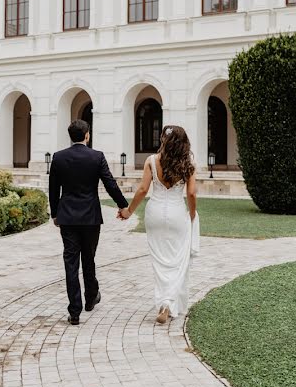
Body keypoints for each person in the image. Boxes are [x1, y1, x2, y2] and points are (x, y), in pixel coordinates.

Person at [49, 119, 130, 325]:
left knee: (70, 262)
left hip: (67, 217)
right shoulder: (97, 157)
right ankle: (91, 297)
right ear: (87, 135)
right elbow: (110, 184)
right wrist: (123, 205)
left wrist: (55, 214)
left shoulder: (58, 158)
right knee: (89, 257)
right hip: (90, 216)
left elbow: (53, 189)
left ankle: (74, 311)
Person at [126, 125, 198, 324]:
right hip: (177, 214)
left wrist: (129, 211)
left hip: (155, 213)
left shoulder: (151, 161)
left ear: (163, 140)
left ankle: (163, 302)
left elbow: (142, 189)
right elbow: (191, 194)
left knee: (159, 261)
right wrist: (192, 215)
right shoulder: (188, 163)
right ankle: (168, 302)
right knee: (178, 260)